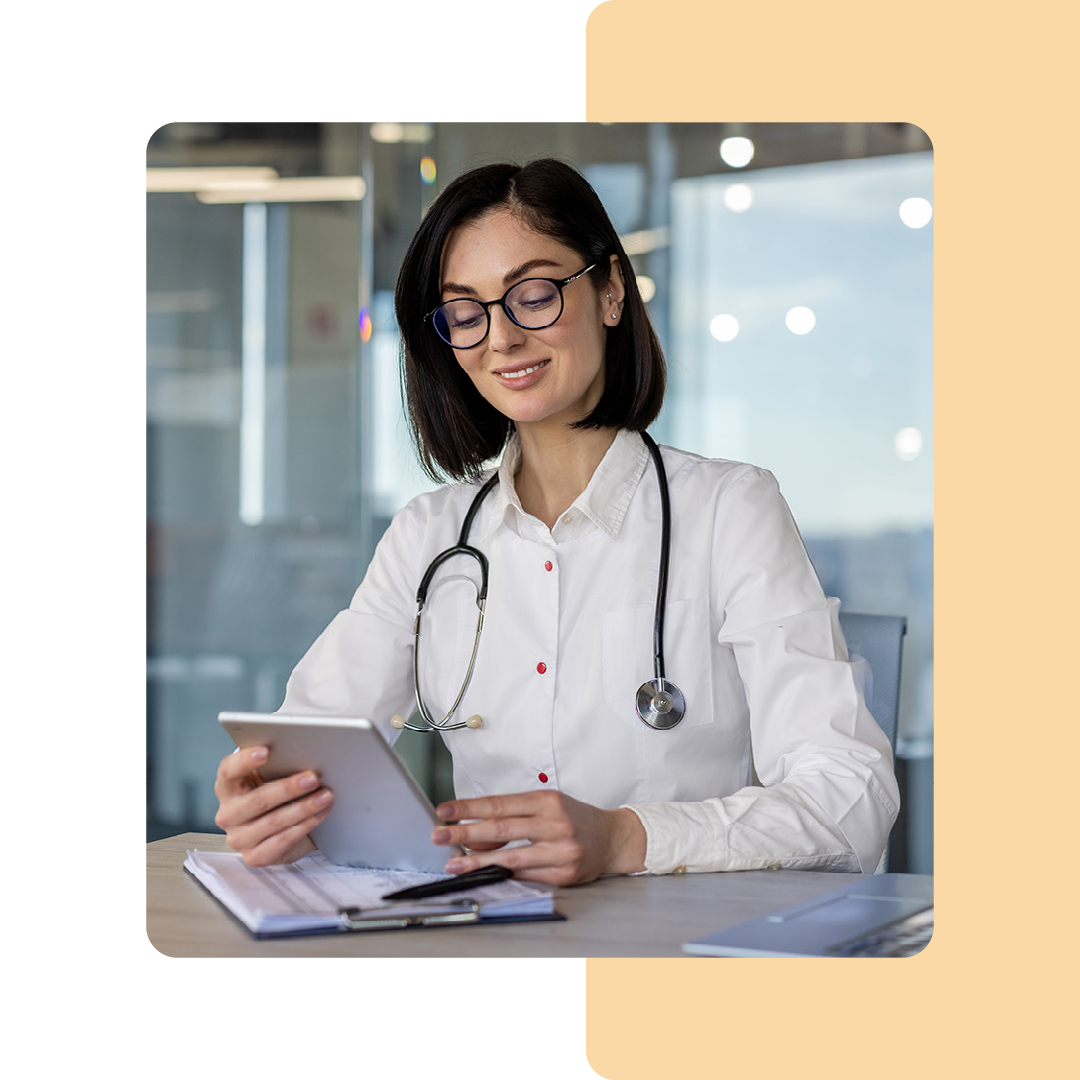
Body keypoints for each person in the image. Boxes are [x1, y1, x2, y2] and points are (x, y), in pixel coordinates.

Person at [214, 158, 899, 885]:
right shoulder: (429, 536)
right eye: (467, 312)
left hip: (678, 951)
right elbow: (310, 749)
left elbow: (851, 796)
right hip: (489, 938)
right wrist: (275, 806)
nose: (501, 338)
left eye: (533, 295)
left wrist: (627, 839)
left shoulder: (730, 510)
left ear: (610, 292)